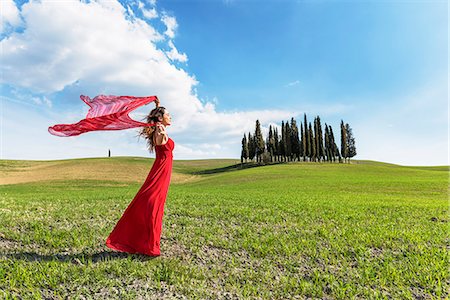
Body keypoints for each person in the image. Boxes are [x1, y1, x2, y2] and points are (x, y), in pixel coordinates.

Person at [105, 98, 174, 256]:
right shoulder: (160, 131)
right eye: (168, 115)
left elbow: (160, 123)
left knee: (155, 203)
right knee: (153, 203)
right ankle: (148, 244)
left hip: (162, 170)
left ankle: (146, 242)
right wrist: (160, 130)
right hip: (160, 171)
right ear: (160, 118)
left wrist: (157, 106)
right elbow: (160, 140)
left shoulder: (160, 127)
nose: (171, 117)